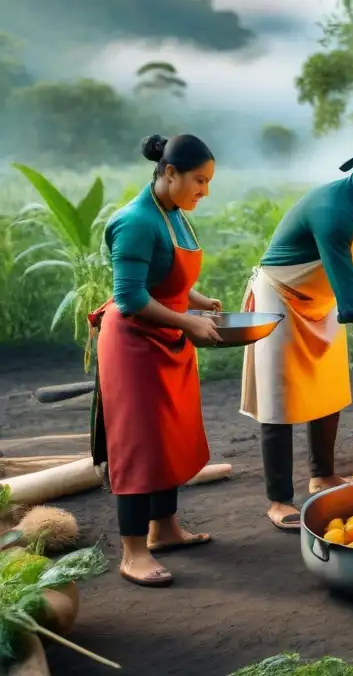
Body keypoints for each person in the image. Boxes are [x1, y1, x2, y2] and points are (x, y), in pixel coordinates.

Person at [240, 139, 353, 530]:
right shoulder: (333, 210)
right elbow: (349, 289)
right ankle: (279, 500)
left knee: (329, 387)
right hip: (280, 296)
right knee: (279, 398)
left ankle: (322, 475)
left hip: (322, 300)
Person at [89, 134, 221, 588]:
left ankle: (164, 529)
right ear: (170, 174)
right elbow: (129, 298)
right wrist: (188, 323)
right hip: (133, 348)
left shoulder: (174, 214)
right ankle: (132, 552)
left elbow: (163, 277)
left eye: (207, 181)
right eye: (199, 180)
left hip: (166, 339)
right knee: (139, 446)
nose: (204, 190)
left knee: (168, 437)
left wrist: (198, 301)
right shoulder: (136, 221)